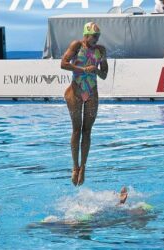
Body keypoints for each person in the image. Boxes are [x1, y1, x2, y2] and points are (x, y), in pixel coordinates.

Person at [61, 22, 108, 186]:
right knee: (76, 130)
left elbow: (105, 75)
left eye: (98, 37)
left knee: (87, 131)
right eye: (94, 36)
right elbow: (63, 64)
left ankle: (84, 168)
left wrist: (97, 70)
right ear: (86, 35)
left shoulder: (101, 50)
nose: (96, 39)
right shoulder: (76, 45)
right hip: (76, 91)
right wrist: (83, 69)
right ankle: (75, 166)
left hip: (92, 93)